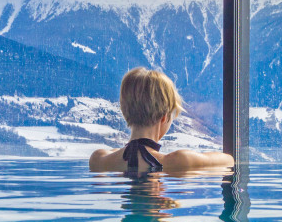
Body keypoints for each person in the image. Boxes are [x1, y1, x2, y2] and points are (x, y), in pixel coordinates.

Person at [89, 67, 233, 172]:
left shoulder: (99, 160)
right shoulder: (179, 161)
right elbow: (229, 160)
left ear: (124, 112)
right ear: (164, 117)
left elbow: (120, 153)